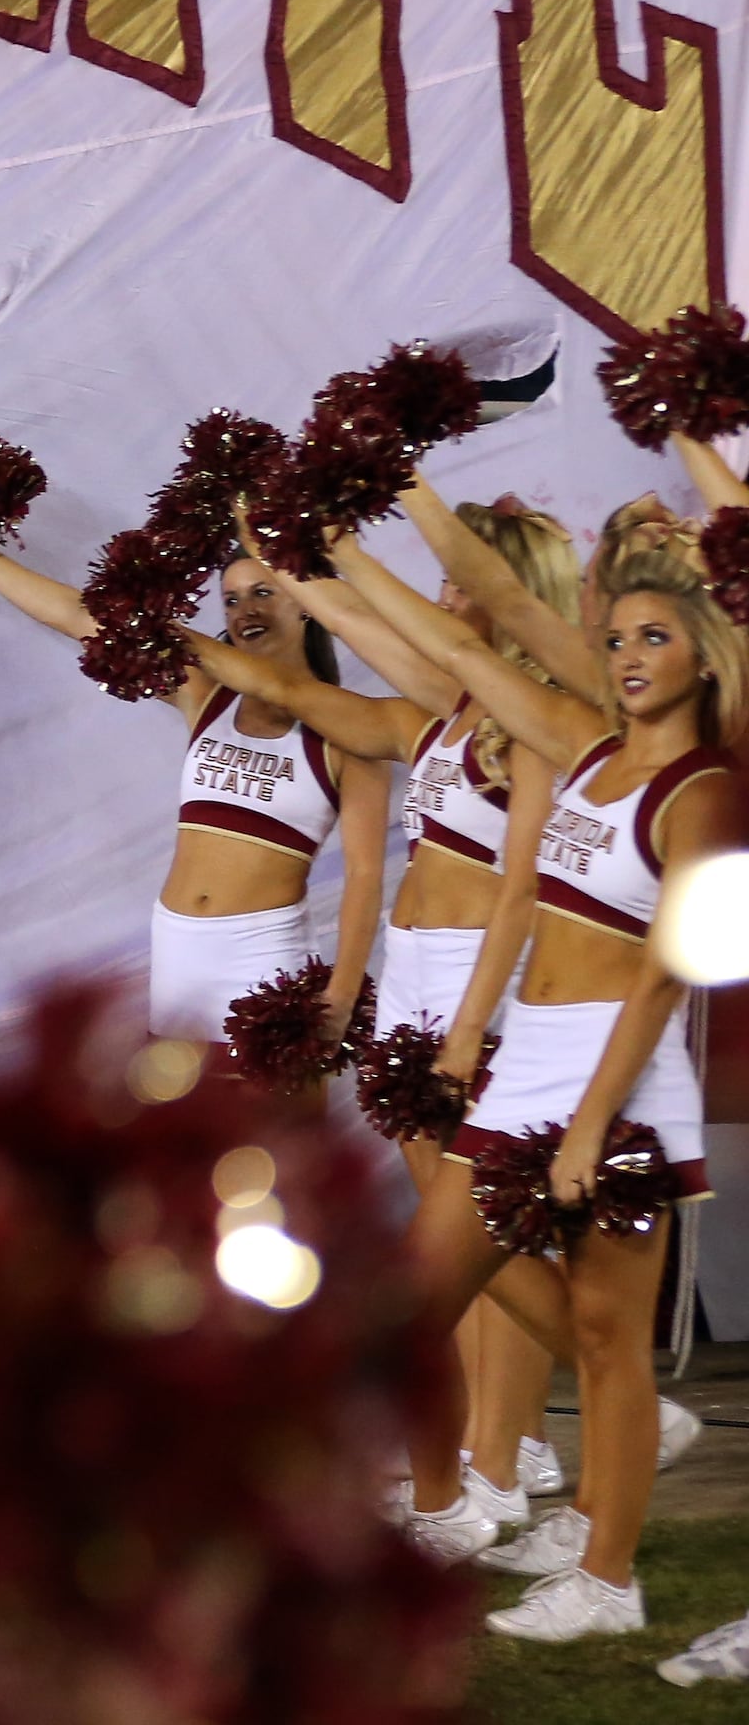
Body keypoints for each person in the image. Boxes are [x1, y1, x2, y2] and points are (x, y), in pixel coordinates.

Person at [331, 532, 741, 1640]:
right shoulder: (585, 744)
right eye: (614, 638)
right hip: (528, 1064)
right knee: (409, 1308)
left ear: (707, 655)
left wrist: (594, 1118)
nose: (628, 654)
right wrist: (358, 518)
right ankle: (439, 1506)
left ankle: (607, 1583)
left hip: (622, 1075)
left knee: (611, 1342)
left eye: (655, 637)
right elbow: (488, 615)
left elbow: (673, 965)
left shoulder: (702, 790)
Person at [177, 509, 580, 1534]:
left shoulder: (541, 722)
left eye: (461, 581)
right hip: (413, 978)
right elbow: (314, 671)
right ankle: (488, 1455)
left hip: (475, 985)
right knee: (461, 1239)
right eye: (442, 581)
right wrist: (268, 562)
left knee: (473, 1234)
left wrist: (313, 546)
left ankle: (553, 1420)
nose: (443, 598)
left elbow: (529, 887)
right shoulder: (433, 714)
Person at [0, 546, 389, 1060]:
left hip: (262, 968)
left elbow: (364, 874)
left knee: (268, 1138)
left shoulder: (349, 731)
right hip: (177, 968)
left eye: (264, 592)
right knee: (182, 1131)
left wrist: (340, 997)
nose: (246, 610)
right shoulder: (207, 696)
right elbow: (78, 617)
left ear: (307, 603)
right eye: (232, 600)